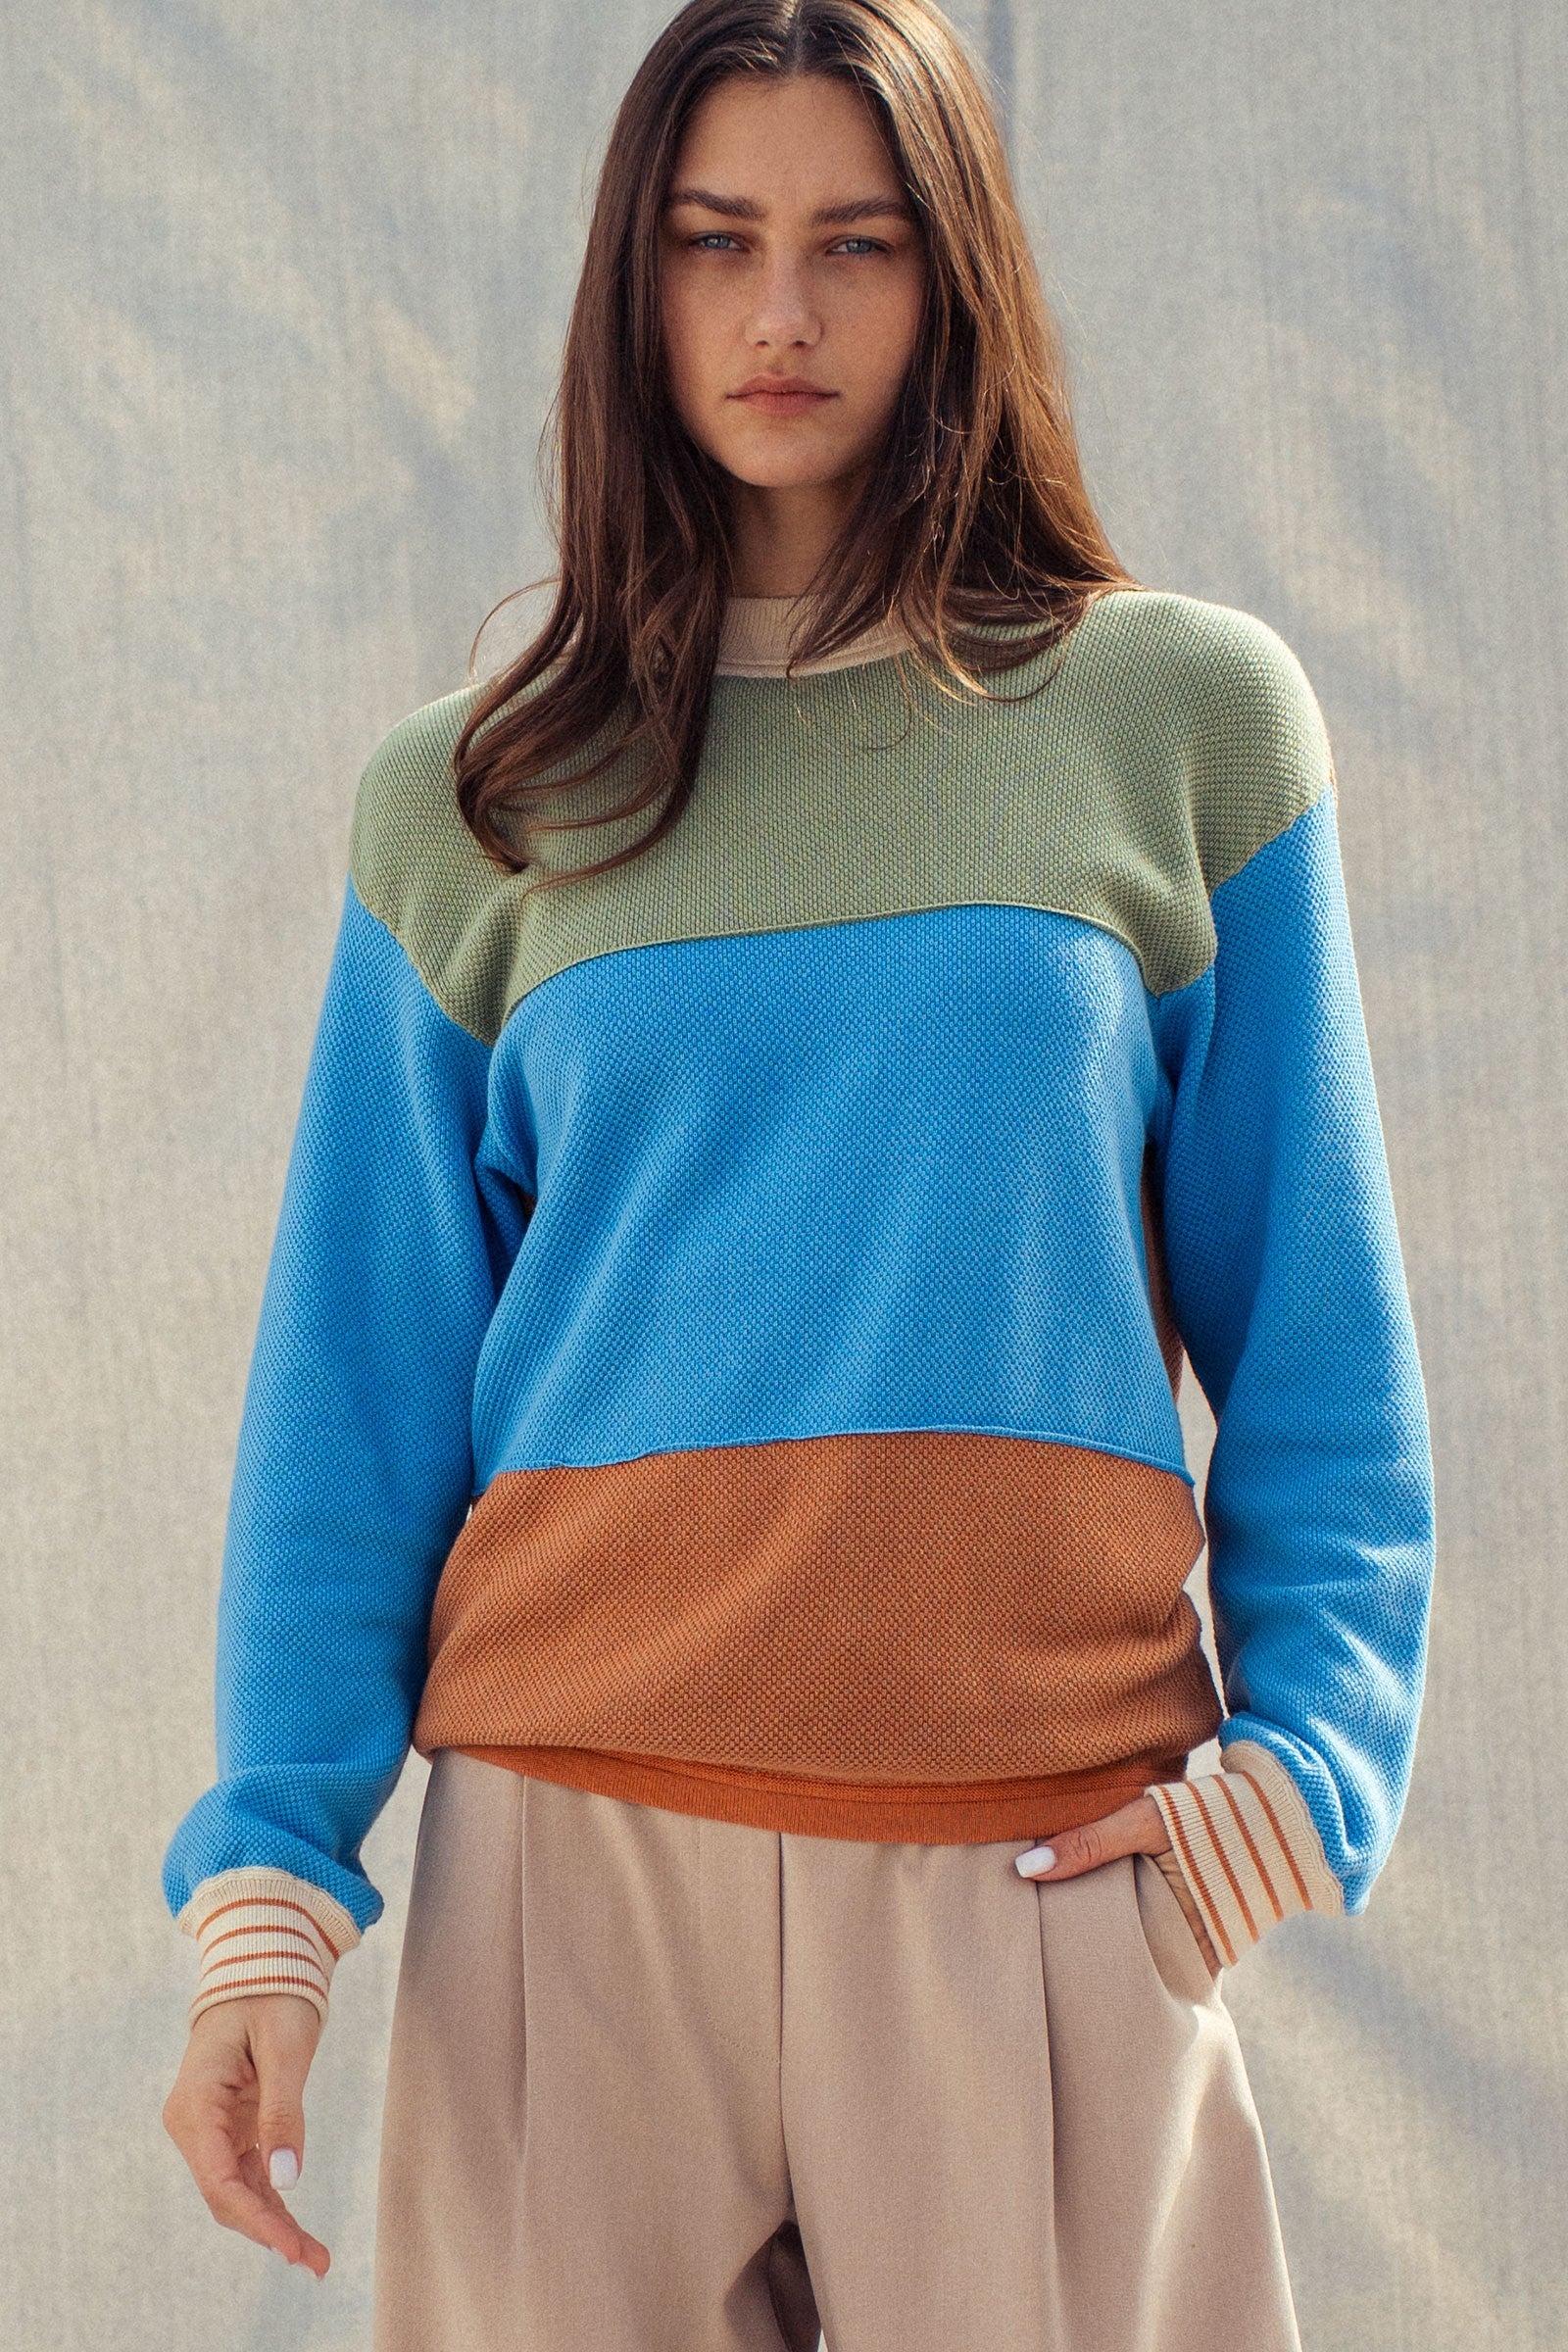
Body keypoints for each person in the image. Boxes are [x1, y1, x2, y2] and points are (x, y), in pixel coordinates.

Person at [159, 3, 1436, 2346]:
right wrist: (270, 1904)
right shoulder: (475, 800)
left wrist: (1291, 1792)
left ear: (953, 280)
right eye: (711, 239)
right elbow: (355, 1393)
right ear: (627, 282)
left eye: (855, 243)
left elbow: (1319, 1344)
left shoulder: (1177, 721)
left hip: (1032, 1861)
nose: (779, 313)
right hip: (566, 1892)